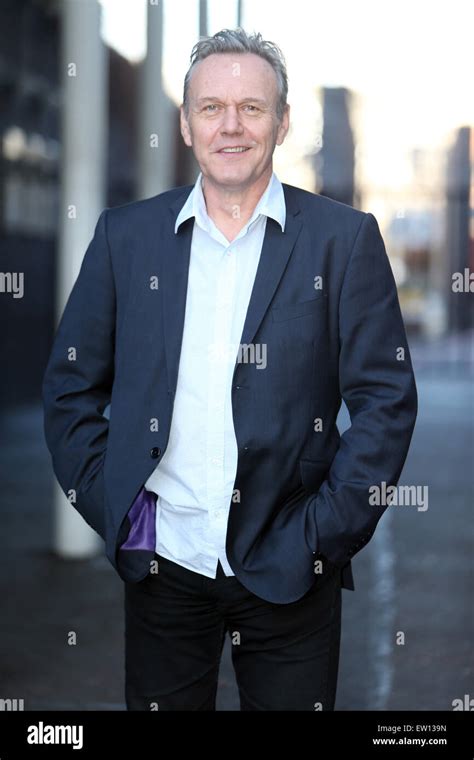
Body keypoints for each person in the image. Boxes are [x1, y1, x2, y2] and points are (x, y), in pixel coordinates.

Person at [42, 28, 417, 711]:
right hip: (165, 566)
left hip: (292, 566)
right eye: (211, 107)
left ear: (282, 122)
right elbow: (70, 386)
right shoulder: (126, 237)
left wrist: (325, 532)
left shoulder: (344, 239)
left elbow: (386, 400)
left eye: (252, 106)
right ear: (185, 124)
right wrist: (121, 510)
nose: (232, 125)